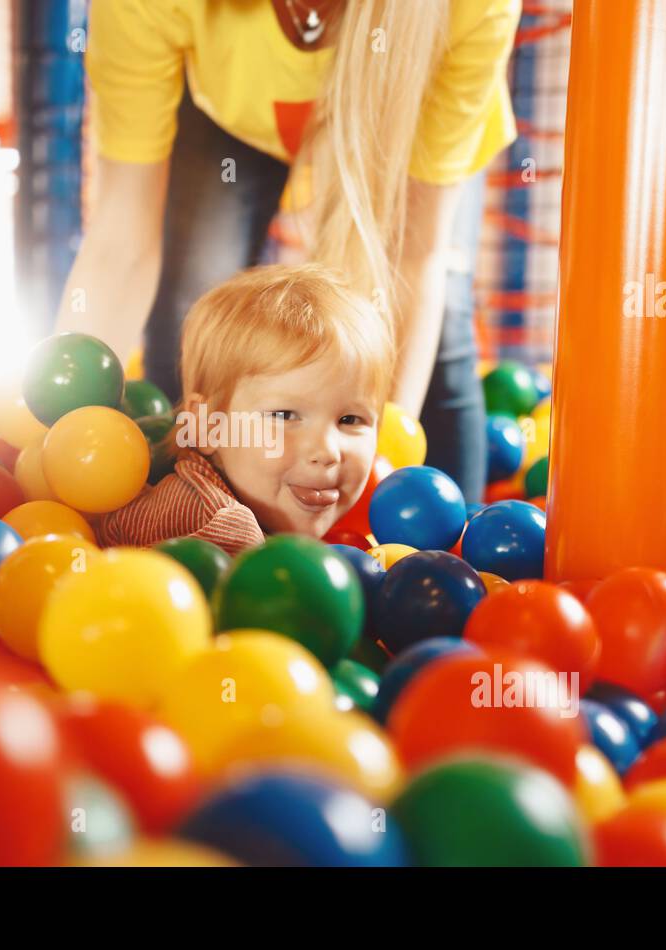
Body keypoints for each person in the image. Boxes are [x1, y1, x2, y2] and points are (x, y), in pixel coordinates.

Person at [55, 0, 520, 503]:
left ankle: (455, 556)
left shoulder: (468, 11)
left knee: (437, 334)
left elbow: (413, 255)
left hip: (405, 88)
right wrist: (61, 433)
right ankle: (194, 517)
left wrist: (377, 480)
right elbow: (121, 242)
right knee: (191, 316)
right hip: (228, 111)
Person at [91, 263, 394, 554]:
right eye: (285, 416)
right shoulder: (226, 531)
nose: (327, 452)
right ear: (208, 426)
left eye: (350, 419)